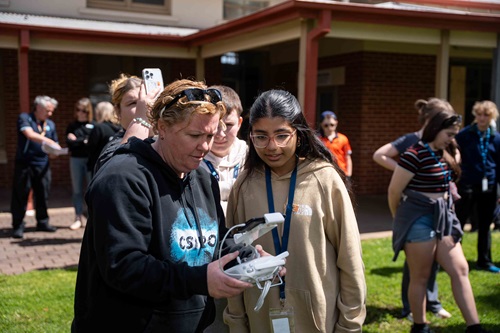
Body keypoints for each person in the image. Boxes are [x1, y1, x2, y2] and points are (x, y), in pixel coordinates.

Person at [72, 79, 266, 332]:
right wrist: (200, 280)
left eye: (210, 135)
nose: (205, 146)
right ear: (161, 128)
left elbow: (213, 241)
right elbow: (124, 267)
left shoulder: (202, 176)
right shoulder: (122, 177)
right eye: (194, 135)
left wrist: (245, 257)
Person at [224, 89, 366, 332]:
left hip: (319, 320)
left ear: (298, 134)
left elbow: (349, 258)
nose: (272, 146)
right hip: (259, 318)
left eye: (282, 135)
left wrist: (349, 325)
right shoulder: (244, 185)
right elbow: (231, 260)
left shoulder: (324, 179)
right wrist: (236, 320)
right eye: (261, 136)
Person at [388, 98, 490, 333]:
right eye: (449, 133)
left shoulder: (450, 151)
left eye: (454, 133)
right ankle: (420, 325)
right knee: (421, 276)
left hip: (444, 218)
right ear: (435, 129)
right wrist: (400, 219)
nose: (452, 138)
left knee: (460, 269)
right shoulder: (414, 154)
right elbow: (394, 191)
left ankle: (474, 326)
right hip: (417, 218)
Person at [372, 102, 451, 321]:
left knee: (433, 260)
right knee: (414, 264)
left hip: (439, 211)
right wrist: (405, 170)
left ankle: (433, 303)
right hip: (415, 211)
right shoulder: (411, 140)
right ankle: (410, 308)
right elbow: (379, 155)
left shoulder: (443, 141)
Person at [202, 85, 247, 333]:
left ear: (239, 123)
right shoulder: (195, 156)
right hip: (210, 256)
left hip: (247, 249)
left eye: (228, 125)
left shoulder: (252, 158)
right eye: (215, 125)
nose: (220, 133)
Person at [454, 100, 500, 273]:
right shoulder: (465, 135)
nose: (482, 118)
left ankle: (485, 261)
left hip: (489, 187)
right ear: (475, 115)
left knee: (485, 223)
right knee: (458, 223)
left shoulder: (496, 138)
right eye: (479, 114)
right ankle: (452, 258)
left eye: (486, 115)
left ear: (492, 117)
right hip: (466, 185)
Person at [11, 95, 61, 239]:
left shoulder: (50, 124)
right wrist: (50, 141)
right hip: (24, 164)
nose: (50, 114)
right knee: (21, 194)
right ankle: (18, 225)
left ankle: (43, 222)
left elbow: (52, 148)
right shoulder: (25, 118)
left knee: (42, 194)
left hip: (42, 164)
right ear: (38, 107)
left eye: (52, 111)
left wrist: (55, 152)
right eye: (47, 110)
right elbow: (30, 135)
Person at [93, 73, 155, 173]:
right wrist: (140, 121)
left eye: (147, 101)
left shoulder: (165, 141)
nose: (143, 107)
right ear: (117, 111)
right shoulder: (112, 150)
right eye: (133, 103)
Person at [65, 97, 94, 230]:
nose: (80, 113)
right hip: (75, 159)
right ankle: (77, 217)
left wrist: (78, 140)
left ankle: (91, 217)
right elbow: (69, 144)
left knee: (91, 189)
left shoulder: (93, 125)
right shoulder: (72, 125)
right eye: (78, 110)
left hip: (89, 160)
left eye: (83, 110)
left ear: (88, 111)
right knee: (76, 190)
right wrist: (83, 141)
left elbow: (92, 143)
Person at [86, 101, 122, 177]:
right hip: (116, 165)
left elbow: (91, 148)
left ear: (99, 112)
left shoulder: (99, 128)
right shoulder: (120, 128)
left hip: (99, 167)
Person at [318, 110, 353, 178]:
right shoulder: (318, 140)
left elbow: (348, 157)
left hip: (341, 173)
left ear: (336, 123)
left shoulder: (343, 138)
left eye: (332, 125)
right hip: (325, 173)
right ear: (321, 125)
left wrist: (349, 174)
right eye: (326, 125)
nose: (329, 128)